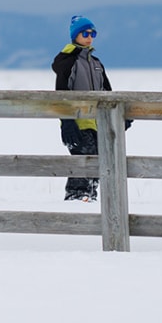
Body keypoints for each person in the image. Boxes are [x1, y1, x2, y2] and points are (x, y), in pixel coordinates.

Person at [52, 15, 117, 202]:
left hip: (98, 123)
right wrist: (67, 122)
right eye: (85, 33)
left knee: (99, 160)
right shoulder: (68, 63)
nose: (90, 37)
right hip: (78, 123)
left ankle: (90, 197)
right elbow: (61, 95)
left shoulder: (96, 63)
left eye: (93, 33)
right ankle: (76, 197)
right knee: (83, 160)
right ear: (75, 35)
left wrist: (119, 116)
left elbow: (108, 93)